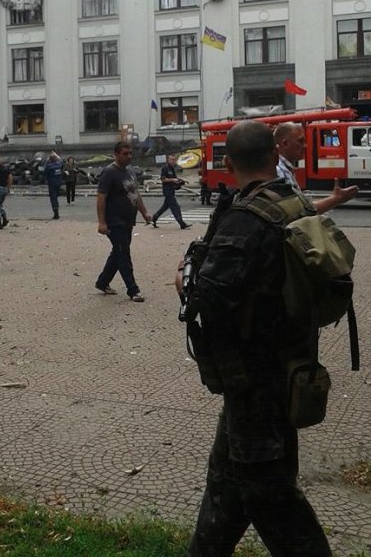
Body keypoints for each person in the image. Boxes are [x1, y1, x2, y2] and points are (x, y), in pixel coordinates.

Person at [176, 121, 333, 557]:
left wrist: (182, 281)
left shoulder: (247, 219)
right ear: (272, 154)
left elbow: (207, 297)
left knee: (271, 497)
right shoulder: (293, 200)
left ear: (228, 163)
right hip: (287, 367)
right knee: (226, 485)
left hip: (256, 382)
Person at [95, 142, 151, 302]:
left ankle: (102, 282)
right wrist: (102, 222)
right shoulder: (109, 172)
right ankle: (133, 290)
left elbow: (135, 194)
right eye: (125, 153)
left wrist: (144, 213)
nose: (129, 156)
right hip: (114, 221)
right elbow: (101, 198)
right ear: (116, 154)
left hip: (128, 220)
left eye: (130, 153)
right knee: (123, 254)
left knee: (118, 252)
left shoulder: (130, 171)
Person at [274, 122, 358, 212]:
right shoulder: (279, 171)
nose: (305, 146)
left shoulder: (285, 169)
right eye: (300, 141)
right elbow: (299, 212)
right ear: (285, 143)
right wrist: (336, 199)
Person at [152, 153, 191, 230]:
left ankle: (154, 217)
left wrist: (180, 181)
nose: (173, 161)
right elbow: (163, 179)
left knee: (165, 207)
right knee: (175, 207)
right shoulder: (165, 168)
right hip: (167, 191)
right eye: (171, 160)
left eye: (174, 160)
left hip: (172, 190)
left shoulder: (173, 169)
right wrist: (173, 180)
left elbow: (175, 179)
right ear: (168, 160)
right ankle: (182, 224)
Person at [43, 150, 63, 219]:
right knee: (56, 197)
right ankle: (56, 211)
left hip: (52, 184)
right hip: (59, 183)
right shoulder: (59, 164)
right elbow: (61, 160)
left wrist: (47, 160)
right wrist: (56, 155)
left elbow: (44, 172)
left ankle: (56, 214)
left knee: (53, 199)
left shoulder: (49, 166)